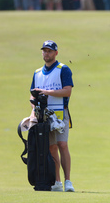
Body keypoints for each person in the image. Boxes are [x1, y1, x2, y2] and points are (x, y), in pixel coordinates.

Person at [30, 40, 74, 192]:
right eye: (44, 51)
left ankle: (68, 181)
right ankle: (57, 182)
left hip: (61, 114)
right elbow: (33, 97)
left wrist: (47, 92)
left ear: (56, 53)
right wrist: (33, 112)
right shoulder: (37, 73)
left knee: (62, 145)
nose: (46, 53)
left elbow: (67, 91)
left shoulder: (63, 69)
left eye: (49, 51)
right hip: (44, 116)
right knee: (52, 147)